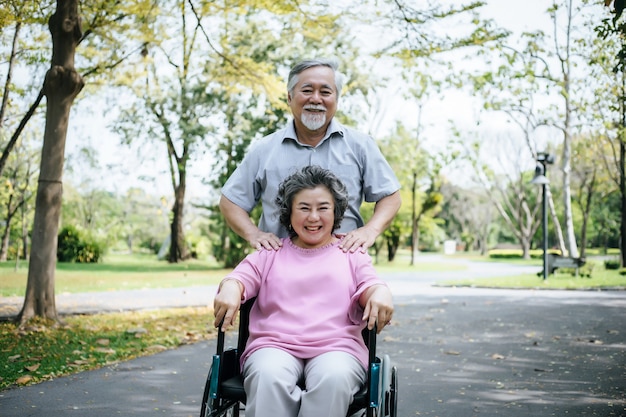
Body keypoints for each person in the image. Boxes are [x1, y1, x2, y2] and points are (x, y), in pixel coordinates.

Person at [213, 165, 394, 417]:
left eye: (323, 208)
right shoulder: (271, 251)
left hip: (337, 347)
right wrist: (231, 288)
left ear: (336, 212)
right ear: (289, 212)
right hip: (274, 345)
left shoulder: (351, 252)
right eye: (304, 208)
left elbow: (369, 285)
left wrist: (380, 292)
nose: (313, 217)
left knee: (333, 377)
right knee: (267, 376)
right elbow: (240, 277)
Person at [219, 58, 401, 253]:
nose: (316, 99)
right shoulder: (263, 150)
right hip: (278, 268)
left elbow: (390, 196)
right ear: (289, 97)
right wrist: (253, 234)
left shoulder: (361, 146)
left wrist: (370, 231)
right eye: (307, 90)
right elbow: (231, 200)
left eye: (325, 92)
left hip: (344, 267)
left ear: (336, 100)